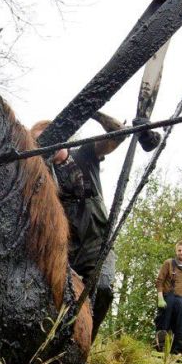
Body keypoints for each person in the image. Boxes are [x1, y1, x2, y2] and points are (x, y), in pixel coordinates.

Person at [30, 112, 139, 341]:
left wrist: (92, 111)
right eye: (40, 143)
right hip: (64, 248)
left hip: (97, 242)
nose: (46, 147)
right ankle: (62, 344)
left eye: (50, 139)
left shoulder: (85, 154)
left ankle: (86, 342)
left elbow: (117, 133)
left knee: (102, 288)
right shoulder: (41, 175)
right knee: (57, 297)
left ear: (63, 136)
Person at [155, 240, 182, 354]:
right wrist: (160, 298)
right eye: (179, 250)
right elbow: (159, 282)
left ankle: (177, 354)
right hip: (168, 298)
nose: (181, 253)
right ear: (176, 251)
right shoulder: (168, 263)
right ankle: (160, 351)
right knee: (163, 324)